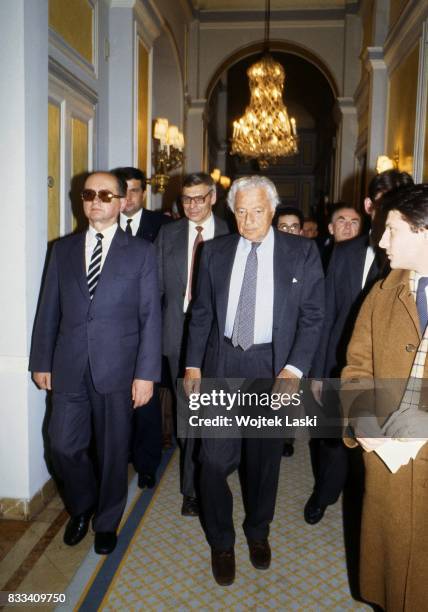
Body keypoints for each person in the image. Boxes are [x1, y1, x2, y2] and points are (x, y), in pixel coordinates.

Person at [184, 176, 324, 586]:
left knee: (263, 462)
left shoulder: (303, 252)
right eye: (241, 211)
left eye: (257, 211)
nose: (248, 220)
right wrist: (193, 364)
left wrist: (293, 370)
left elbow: (314, 317)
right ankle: (221, 540)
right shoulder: (214, 251)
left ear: (273, 210)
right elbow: (203, 313)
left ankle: (258, 532)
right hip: (223, 361)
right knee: (212, 461)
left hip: (271, 365)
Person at [29, 171, 161, 555]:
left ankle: (107, 521)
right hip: (68, 364)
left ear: (122, 201)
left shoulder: (141, 253)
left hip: (118, 368)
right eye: (89, 194)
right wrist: (42, 360)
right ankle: (83, 506)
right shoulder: (62, 250)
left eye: (106, 194)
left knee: (113, 449)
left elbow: (150, 316)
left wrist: (146, 374)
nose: (96, 200)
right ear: (81, 201)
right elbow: (48, 310)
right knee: (62, 445)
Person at [306, 170, 414, 525]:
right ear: (369, 205)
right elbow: (327, 314)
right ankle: (323, 495)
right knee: (333, 440)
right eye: (385, 202)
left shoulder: (414, 255)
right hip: (342, 360)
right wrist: (320, 373)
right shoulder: (346, 251)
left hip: (394, 369)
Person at [342, 184, 428, 611]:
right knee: (395, 582)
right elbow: (357, 368)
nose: (381, 240)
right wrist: (363, 419)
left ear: (424, 231)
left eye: (392, 230)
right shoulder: (380, 294)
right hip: (390, 467)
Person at [156, 172, 229, 517]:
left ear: (213, 197)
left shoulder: (231, 232)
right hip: (176, 336)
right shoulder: (168, 234)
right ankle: (192, 488)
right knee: (188, 413)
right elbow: (154, 292)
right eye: (187, 199)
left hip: (217, 338)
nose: (193, 206)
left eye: (200, 198)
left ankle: (208, 478)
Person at [113, 166, 172, 488]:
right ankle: (118, 458)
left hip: (149, 330)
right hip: (112, 334)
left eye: (134, 190)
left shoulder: (162, 226)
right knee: (114, 402)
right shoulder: (101, 225)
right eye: (123, 191)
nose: (128, 197)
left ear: (143, 193)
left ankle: (147, 464)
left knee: (146, 404)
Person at [273, 204, 305, 458]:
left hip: (297, 332)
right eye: (283, 226)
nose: (289, 231)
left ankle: (286, 435)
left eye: (294, 227)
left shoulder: (309, 256)